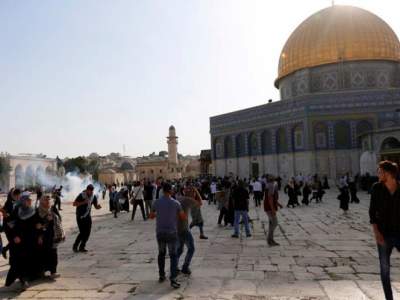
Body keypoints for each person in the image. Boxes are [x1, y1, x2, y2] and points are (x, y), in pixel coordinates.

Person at [369, 161, 400, 300]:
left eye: (380, 171)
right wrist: (377, 233)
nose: (378, 173)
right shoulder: (376, 188)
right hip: (383, 234)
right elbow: (372, 213)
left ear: (388, 174)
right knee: (385, 269)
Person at [150, 183, 185, 289]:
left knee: (161, 254)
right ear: (171, 191)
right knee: (173, 255)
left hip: (160, 232)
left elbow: (151, 216)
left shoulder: (156, 202)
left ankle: (161, 275)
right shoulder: (176, 203)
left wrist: (159, 214)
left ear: (162, 191)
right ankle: (173, 278)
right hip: (172, 233)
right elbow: (183, 217)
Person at [5, 192, 36, 289]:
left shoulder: (32, 210)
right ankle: (23, 280)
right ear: (23, 201)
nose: (30, 201)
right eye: (28, 200)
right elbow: (9, 224)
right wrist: (14, 236)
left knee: (27, 260)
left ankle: (24, 278)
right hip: (18, 240)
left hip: (29, 240)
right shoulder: (16, 210)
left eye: (30, 200)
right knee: (19, 261)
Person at [34, 194, 64, 279]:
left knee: (53, 254)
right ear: (41, 201)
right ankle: (41, 271)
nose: (47, 202)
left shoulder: (53, 208)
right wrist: (39, 234)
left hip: (53, 235)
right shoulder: (37, 211)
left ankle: (53, 272)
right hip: (43, 236)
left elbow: (59, 218)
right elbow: (36, 225)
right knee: (43, 254)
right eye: (45, 200)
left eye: (49, 200)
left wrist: (53, 220)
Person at [175, 187, 199, 276]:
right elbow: (200, 202)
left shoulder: (178, 198)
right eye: (193, 193)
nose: (194, 195)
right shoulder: (187, 199)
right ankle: (185, 267)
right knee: (191, 248)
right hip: (184, 229)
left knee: (179, 249)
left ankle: (174, 266)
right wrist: (197, 191)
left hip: (176, 228)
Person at [72, 184, 101, 253]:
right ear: (87, 190)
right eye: (89, 191)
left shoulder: (93, 196)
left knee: (87, 232)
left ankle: (82, 247)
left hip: (88, 216)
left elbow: (95, 206)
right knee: (82, 232)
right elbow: (74, 204)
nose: (90, 192)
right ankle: (75, 246)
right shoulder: (81, 195)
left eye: (92, 191)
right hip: (80, 216)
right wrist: (83, 202)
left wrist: (98, 207)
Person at [264, 176, 282, 246]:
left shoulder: (268, 185)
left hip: (268, 207)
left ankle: (270, 239)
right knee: (275, 223)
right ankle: (270, 239)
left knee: (271, 223)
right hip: (269, 208)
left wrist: (278, 204)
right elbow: (270, 198)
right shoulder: (271, 186)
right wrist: (273, 209)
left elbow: (271, 198)